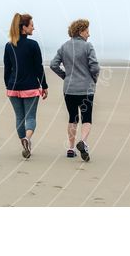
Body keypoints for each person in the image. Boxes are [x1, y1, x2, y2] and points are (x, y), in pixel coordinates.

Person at [50, 19, 100, 162]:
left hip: (69, 89)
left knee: (73, 117)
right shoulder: (87, 46)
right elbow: (95, 67)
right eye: (87, 31)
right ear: (80, 31)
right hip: (86, 88)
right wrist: (93, 79)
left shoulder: (64, 47)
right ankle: (83, 142)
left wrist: (65, 76)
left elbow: (53, 65)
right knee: (87, 118)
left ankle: (71, 148)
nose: (89, 35)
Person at [3, 13, 48, 159]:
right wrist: (44, 85)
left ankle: (24, 144)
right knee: (30, 117)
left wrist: (8, 87)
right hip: (30, 87)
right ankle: (27, 139)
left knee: (19, 117)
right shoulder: (33, 45)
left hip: (13, 87)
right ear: (24, 27)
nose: (34, 28)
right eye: (31, 25)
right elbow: (38, 68)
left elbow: (7, 69)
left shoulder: (9, 46)